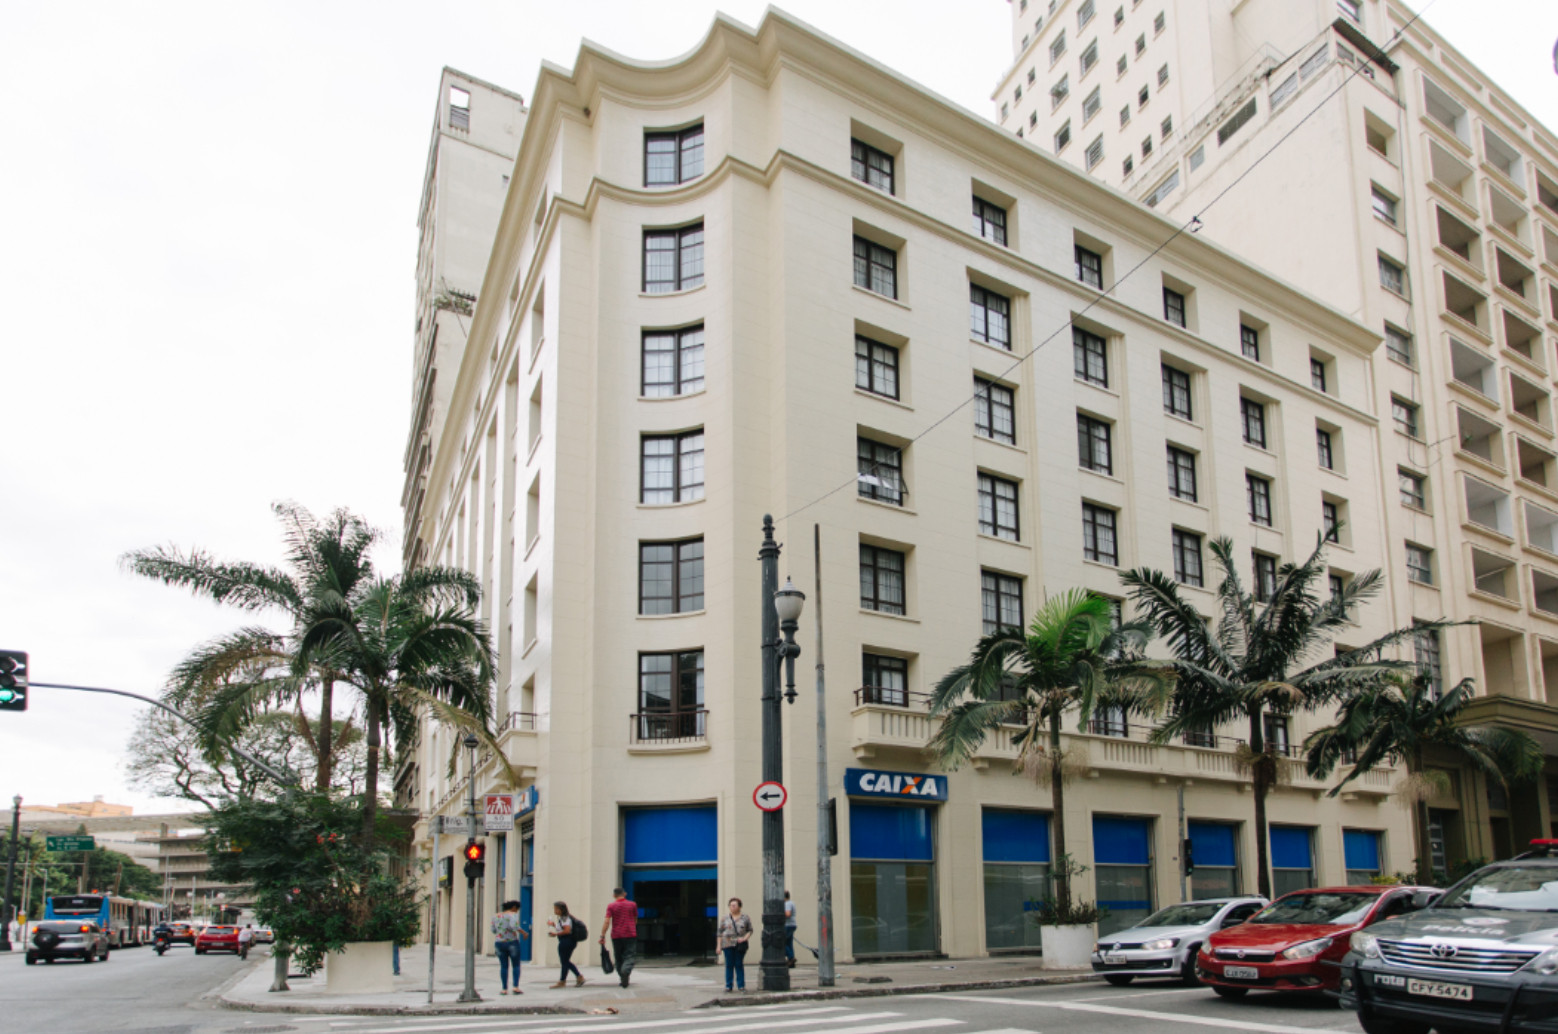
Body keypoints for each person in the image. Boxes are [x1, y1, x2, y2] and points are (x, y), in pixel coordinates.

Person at [599, 887, 638, 988]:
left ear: (614, 895)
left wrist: (602, 935)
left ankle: (622, 977)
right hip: (630, 934)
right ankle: (625, 971)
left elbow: (607, 921)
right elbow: (635, 919)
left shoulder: (611, 906)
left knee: (618, 957)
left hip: (616, 935)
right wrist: (632, 927)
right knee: (629, 955)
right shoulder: (632, 904)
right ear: (625, 894)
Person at [491, 900, 530, 995]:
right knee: (516, 965)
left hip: (499, 943)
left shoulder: (495, 916)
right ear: (514, 907)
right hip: (512, 942)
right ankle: (515, 987)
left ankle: (504, 988)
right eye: (517, 909)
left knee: (503, 966)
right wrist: (524, 933)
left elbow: (493, 930)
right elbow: (514, 926)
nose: (517, 911)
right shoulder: (512, 915)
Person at [716, 897, 753, 992]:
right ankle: (729, 985)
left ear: (739, 906)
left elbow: (750, 930)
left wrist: (744, 938)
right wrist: (719, 946)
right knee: (729, 964)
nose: (732, 907)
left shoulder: (745, 917)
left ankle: (741, 985)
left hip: (739, 943)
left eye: (734, 905)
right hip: (727, 943)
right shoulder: (725, 918)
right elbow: (720, 932)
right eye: (731, 905)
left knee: (738, 963)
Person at [547, 901, 586, 988]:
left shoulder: (565, 918)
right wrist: (554, 925)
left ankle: (578, 976)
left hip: (566, 941)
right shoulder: (564, 918)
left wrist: (555, 934)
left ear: (561, 909)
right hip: (568, 941)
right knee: (565, 961)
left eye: (556, 909)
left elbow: (567, 930)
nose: (555, 911)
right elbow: (563, 928)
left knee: (565, 961)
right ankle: (563, 980)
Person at [783, 890, 798, 968]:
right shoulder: (792, 903)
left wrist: (780, 915)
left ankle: (791, 957)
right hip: (792, 924)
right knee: (789, 943)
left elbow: (788, 914)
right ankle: (791, 962)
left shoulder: (787, 904)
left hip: (787, 925)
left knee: (781, 942)